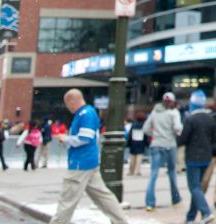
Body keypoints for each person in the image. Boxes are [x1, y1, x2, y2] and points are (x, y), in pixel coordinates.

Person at [48, 89, 129, 224]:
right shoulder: (87, 113)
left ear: (73, 101)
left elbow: (84, 138)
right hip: (88, 162)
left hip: (80, 163)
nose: (68, 108)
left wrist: (66, 139)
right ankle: (121, 221)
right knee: (103, 196)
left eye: (68, 104)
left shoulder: (85, 114)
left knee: (67, 200)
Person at [177, 98, 216, 224]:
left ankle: (206, 212)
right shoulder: (211, 118)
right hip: (206, 156)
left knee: (194, 187)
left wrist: (177, 137)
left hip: (193, 157)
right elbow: (214, 137)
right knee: (197, 187)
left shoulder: (190, 119)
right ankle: (190, 217)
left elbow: (183, 139)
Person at [144, 92, 183, 211]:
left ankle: (150, 203)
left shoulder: (154, 112)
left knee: (153, 174)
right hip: (170, 145)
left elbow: (146, 129)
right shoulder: (174, 113)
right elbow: (177, 128)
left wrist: (155, 135)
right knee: (171, 173)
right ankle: (175, 199)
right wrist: (174, 133)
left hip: (156, 144)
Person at [126, 110, 147, 176]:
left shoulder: (134, 124)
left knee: (132, 157)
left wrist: (128, 143)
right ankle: (138, 171)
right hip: (141, 143)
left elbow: (130, 134)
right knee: (139, 158)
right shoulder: (144, 125)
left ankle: (131, 171)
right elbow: (145, 135)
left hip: (133, 142)